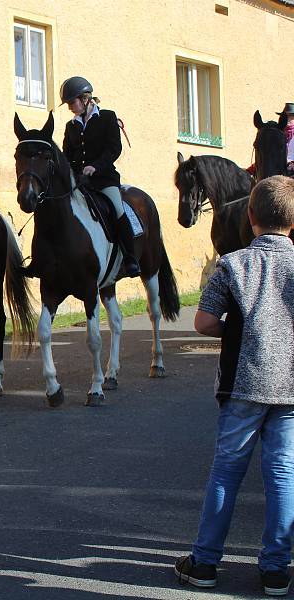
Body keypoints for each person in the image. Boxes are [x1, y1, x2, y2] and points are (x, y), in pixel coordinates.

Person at [174, 175, 294, 596]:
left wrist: (239, 330)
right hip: (291, 386)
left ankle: (205, 562)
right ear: (293, 222)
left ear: (250, 214)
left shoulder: (234, 263)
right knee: (282, 474)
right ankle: (277, 568)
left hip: (243, 383)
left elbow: (204, 322)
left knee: (226, 472)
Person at [60, 76, 140, 277]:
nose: (70, 107)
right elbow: (67, 155)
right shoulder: (71, 126)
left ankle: (130, 258)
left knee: (117, 209)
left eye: (72, 102)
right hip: (80, 182)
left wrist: (95, 166)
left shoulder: (107, 117)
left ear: (85, 99)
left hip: (104, 180)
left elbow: (114, 148)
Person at [277, 102, 294, 177]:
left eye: (291, 116)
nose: (288, 119)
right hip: (279, 171)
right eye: (286, 116)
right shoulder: (278, 135)